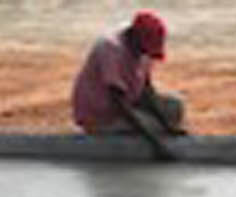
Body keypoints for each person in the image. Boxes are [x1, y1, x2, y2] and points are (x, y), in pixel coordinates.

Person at [71, 10, 187, 160]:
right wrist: (155, 143)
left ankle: (140, 132)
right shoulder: (110, 49)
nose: (146, 53)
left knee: (175, 106)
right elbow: (119, 104)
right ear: (134, 37)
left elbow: (147, 91)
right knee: (153, 127)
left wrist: (168, 126)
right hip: (103, 116)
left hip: (129, 103)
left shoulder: (142, 50)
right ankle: (113, 139)